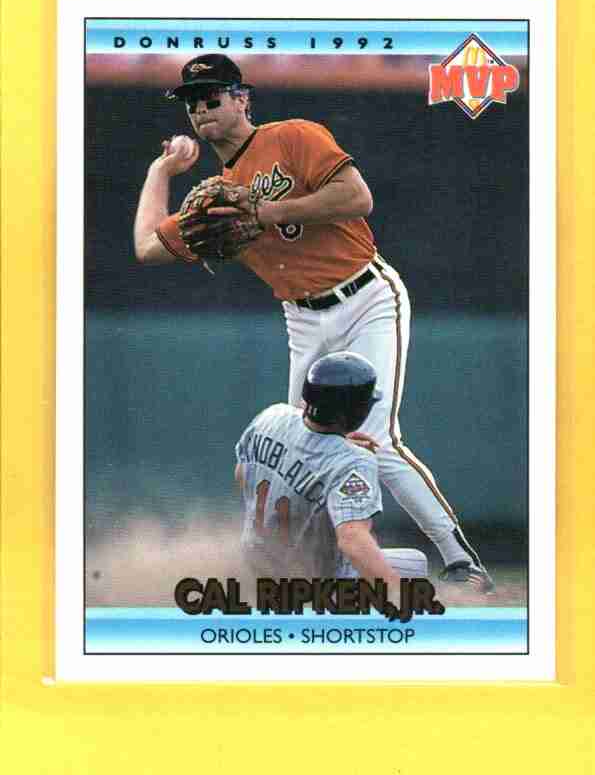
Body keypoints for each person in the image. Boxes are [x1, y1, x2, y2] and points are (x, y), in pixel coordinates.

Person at [133, 53, 494, 592]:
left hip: (366, 296)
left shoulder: (294, 137)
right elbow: (146, 247)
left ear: (242, 99)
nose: (201, 109)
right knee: (308, 447)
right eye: (192, 103)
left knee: (374, 438)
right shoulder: (217, 204)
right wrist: (160, 171)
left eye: (212, 97)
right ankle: (322, 570)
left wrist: (268, 212)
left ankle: (460, 559)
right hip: (301, 319)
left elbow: (357, 197)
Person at [234, 351, 427, 588]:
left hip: (255, 563)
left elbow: (241, 474)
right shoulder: (353, 461)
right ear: (356, 411)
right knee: (416, 565)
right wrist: (400, 596)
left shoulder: (272, 417)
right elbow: (353, 541)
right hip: (309, 583)